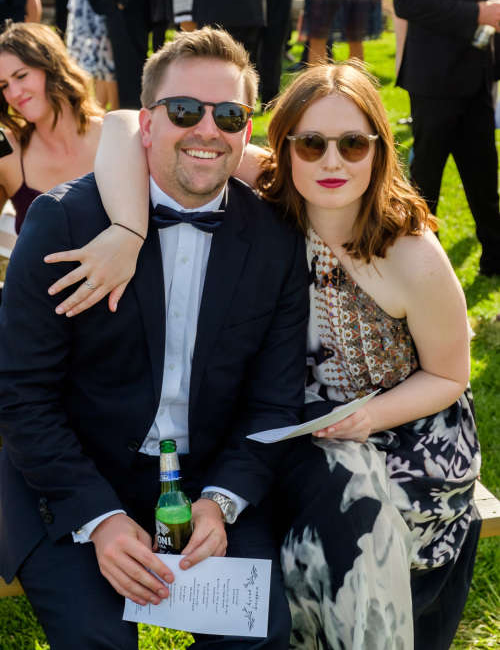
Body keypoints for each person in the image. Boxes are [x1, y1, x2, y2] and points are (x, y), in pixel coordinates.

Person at [44, 58, 481, 650]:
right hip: (289, 419)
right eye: (313, 143)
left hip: (404, 431)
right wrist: (128, 229)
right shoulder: (277, 182)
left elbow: (450, 374)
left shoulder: (410, 252)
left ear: (379, 150)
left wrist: (368, 417)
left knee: (348, 503)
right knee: (302, 495)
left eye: (354, 144)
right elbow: (125, 123)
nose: (332, 162)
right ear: (285, 147)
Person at [0, 27, 314, 650]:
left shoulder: (276, 239)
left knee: (257, 639)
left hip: (209, 475)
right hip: (74, 473)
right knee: (99, 643)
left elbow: (274, 402)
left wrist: (222, 501)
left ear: (246, 131)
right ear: (145, 124)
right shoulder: (64, 221)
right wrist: (100, 518)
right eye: (184, 111)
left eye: (228, 115)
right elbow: (21, 393)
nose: (207, 130)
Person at [393, 0, 500, 277]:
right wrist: (477, 13)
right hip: (435, 78)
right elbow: (407, 0)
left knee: (484, 173)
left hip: (478, 73)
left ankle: (495, 257)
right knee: (426, 180)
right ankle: (416, 262)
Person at [0, 21, 104, 234]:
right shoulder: (9, 154)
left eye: (21, 76)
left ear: (52, 68)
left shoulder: (113, 135)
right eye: (4, 85)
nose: (14, 93)